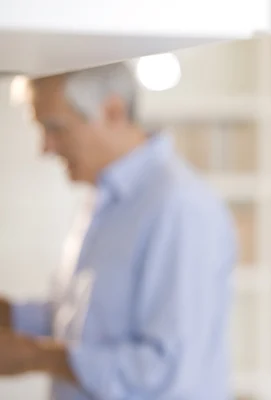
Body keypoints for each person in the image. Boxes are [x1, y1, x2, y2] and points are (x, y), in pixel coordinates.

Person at [0, 62, 237, 399]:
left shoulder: (178, 207)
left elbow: (164, 369)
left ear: (112, 111)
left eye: (55, 128)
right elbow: (86, 321)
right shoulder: (105, 199)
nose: (46, 148)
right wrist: (10, 316)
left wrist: (37, 357)